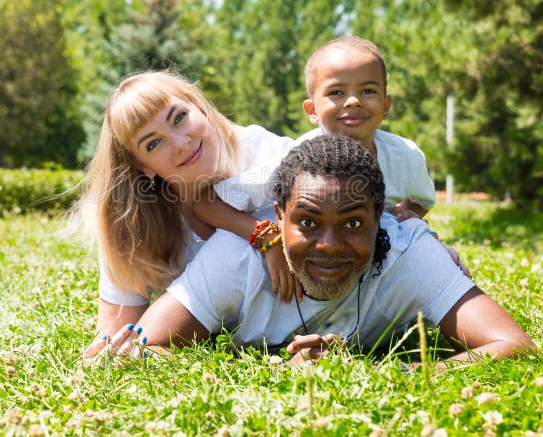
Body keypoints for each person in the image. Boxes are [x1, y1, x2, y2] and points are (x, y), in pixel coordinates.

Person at [105, 135, 535, 365]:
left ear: (379, 217)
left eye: (352, 224)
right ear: (278, 216)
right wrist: (274, 373)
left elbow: (513, 344)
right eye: (308, 223)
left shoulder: (409, 254)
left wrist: (396, 372)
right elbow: (143, 346)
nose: (328, 247)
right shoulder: (235, 259)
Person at [194, 37, 465, 303]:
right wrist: (268, 239)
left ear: (386, 106)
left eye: (368, 91)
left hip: (364, 270)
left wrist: (406, 216)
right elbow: (207, 205)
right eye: (336, 92)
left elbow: (421, 200)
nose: (353, 101)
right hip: (292, 281)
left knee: (447, 260)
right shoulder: (294, 163)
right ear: (311, 110)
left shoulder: (405, 156)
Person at [72, 71, 293, 359]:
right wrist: (113, 350)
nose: (180, 142)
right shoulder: (136, 220)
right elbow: (115, 335)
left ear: (197, 106)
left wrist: (271, 234)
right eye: (153, 143)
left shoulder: (267, 155)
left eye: (179, 117)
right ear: (143, 166)